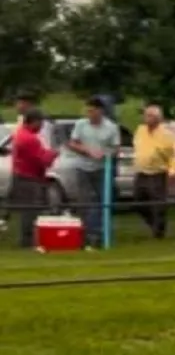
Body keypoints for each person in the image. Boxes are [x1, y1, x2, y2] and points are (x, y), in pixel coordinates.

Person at [59, 96, 121, 249]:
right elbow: (72, 143)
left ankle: (99, 234)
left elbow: (116, 148)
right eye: (87, 110)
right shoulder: (81, 124)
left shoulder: (111, 127)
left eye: (92, 111)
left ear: (100, 111)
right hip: (82, 168)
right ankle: (85, 234)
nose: (89, 113)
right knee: (85, 201)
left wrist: (105, 154)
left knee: (101, 202)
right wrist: (86, 150)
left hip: (102, 169)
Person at [10, 109, 58, 250]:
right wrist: (53, 154)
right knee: (30, 210)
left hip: (21, 175)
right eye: (40, 122)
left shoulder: (20, 134)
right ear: (34, 121)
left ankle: (27, 239)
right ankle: (27, 240)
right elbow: (42, 160)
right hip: (29, 178)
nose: (42, 126)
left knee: (27, 209)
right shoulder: (30, 139)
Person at [132, 104, 175, 238]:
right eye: (146, 115)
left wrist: (174, 170)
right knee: (138, 202)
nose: (146, 118)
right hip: (141, 171)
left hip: (157, 173)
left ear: (158, 118)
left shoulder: (166, 135)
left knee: (158, 204)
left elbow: (174, 154)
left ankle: (159, 231)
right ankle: (153, 223)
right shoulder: (140, 130)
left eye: (150, 116)